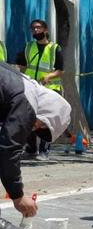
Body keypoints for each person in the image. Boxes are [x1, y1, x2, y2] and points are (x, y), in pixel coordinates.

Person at [0, 62, 70, 229]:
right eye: (39, 124)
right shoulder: (28, 100)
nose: (33, 128)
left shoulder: (21, 84)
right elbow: (9, 149)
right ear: (48, 112)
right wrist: (18, 196)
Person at [16, 19, 63, 159]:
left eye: (38, 28)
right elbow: (20, 65)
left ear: (46, 30)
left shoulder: (55, 48)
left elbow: (60, 70)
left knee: (45, 121)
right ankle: (31, 149)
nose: (35, 31)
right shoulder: (28, 47)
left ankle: (44, 150)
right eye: (33, 28)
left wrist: (49, 76)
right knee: (29, 119)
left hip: (50, 89)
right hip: (31, 89)